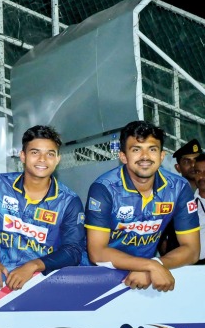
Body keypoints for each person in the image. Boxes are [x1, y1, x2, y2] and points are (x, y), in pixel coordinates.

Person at [85, 120, 200, 291]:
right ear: (123, 156)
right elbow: (97, 252)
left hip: (144, 277)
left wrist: (156, 263)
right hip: (96, 274)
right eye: (136, 150)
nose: (145, 156)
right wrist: (150, 266)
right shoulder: (104, 188)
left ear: (162, 156)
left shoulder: (178, 188)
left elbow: (192, 250)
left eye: (152, 149)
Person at [0, 125, 86, 291]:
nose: (42, 159)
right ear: (23, 156)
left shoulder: (69, 201)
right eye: (35, 152)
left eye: (50, 154)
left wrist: (33, 266)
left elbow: (73, 250)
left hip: (45, 282)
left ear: (57, 159)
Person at [157, 138, 202, 256]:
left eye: (196, 160)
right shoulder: (169, 194)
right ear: (178, 167)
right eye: (187, 161)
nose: (193, 165)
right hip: (179, 257)